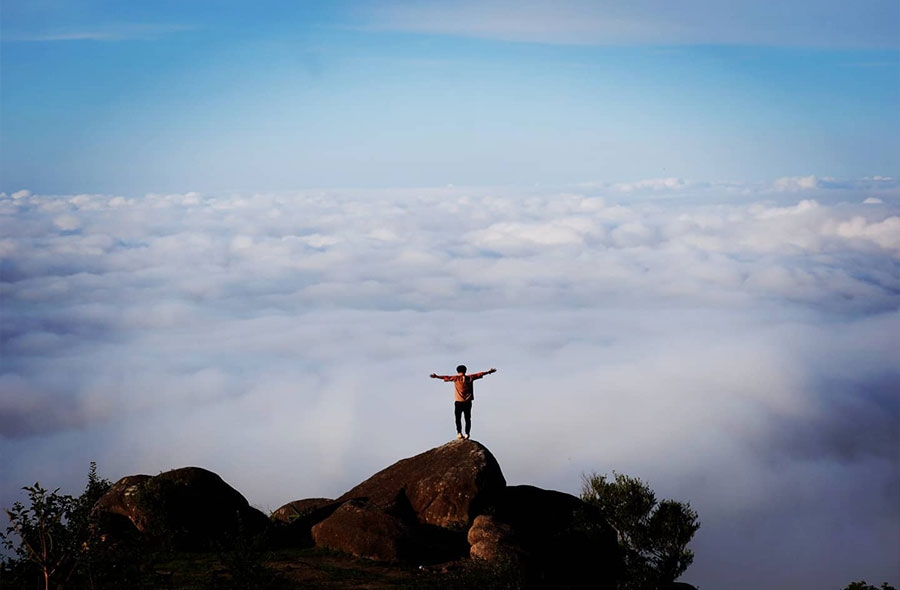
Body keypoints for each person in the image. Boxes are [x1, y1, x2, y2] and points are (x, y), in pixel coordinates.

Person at [429, 365, 497, 440]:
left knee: (458, 418)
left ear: (457, 371)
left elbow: (446, 377)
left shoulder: (456, 378)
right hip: (468, 402)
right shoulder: (470, 377)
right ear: (465, 370)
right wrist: (489, 372)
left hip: (458, 402)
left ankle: (459, 433)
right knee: (467, 418)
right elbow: (479, 374)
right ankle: (467, 434)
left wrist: (436, 376)